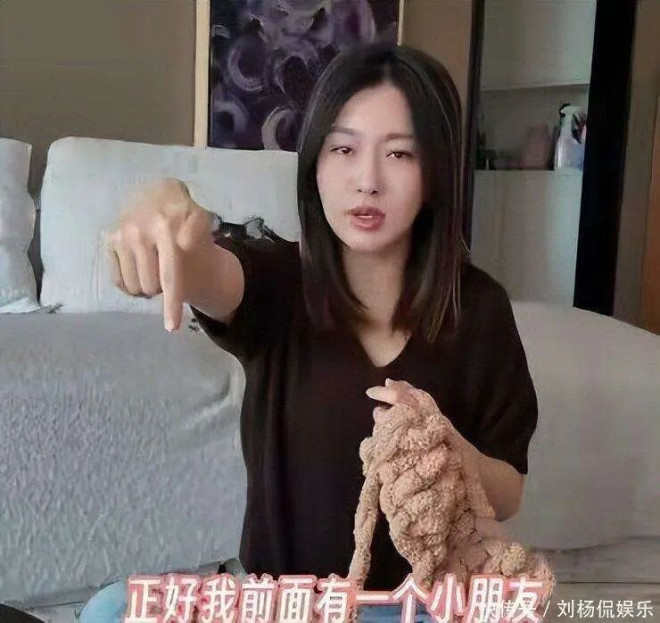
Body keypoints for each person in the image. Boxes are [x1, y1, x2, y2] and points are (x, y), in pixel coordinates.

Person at [81, 41, 538, 622]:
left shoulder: (478, 309)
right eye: (343, 149)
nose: (367, 181)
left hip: (412, 608)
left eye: (399, 154)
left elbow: (509, 490)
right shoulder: (277, 283)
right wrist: (160, 206)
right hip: (279, 605)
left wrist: (450, 454)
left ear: (435, 173)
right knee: (113, 609)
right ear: (315, 164)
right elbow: (205, 268)